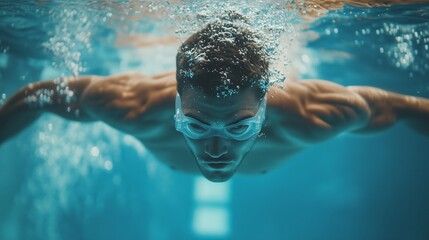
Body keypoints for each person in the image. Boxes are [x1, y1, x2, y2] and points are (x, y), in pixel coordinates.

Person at [0, 20, 428, 183]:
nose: (217, 150)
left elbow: (406, 107)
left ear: (263, 110)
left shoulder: (312, 114)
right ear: (176, 106)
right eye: (197, 124)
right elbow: (38, 96)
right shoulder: (131, 105)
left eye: (240, 126)